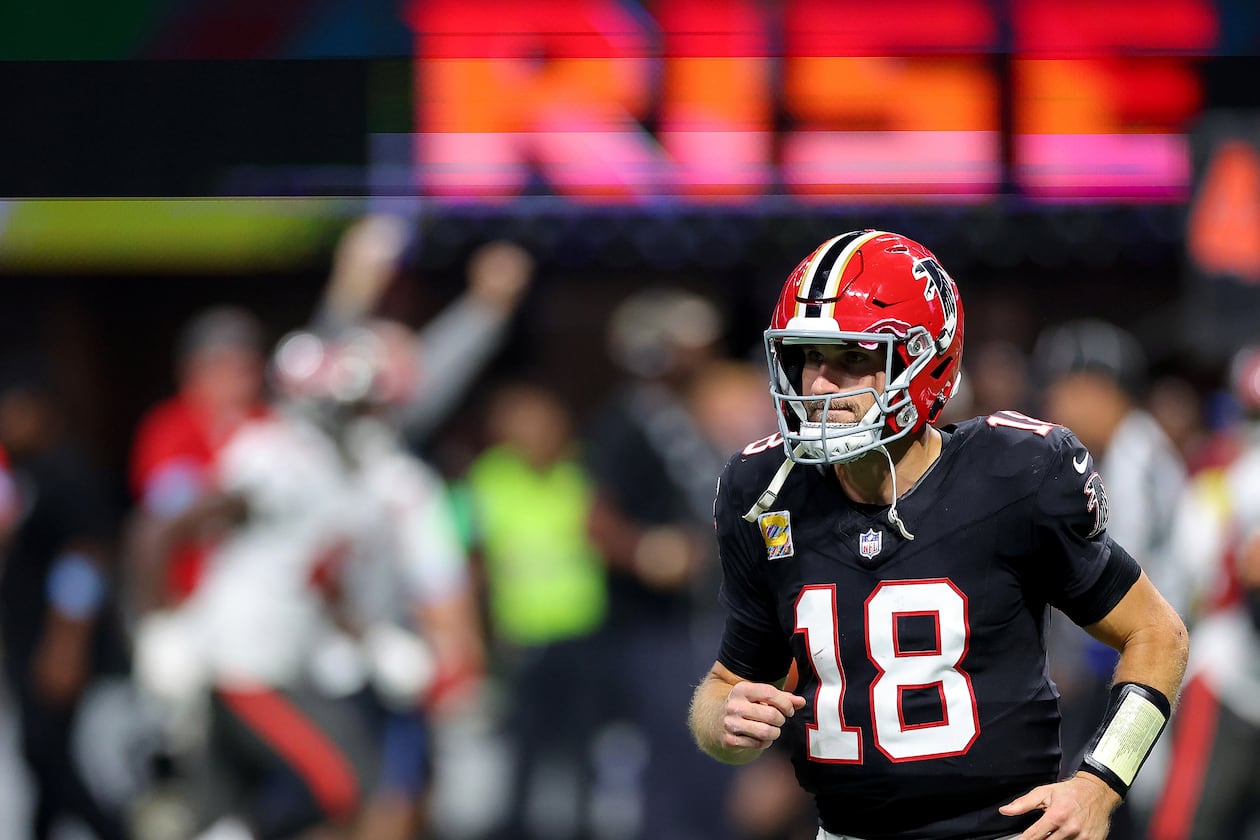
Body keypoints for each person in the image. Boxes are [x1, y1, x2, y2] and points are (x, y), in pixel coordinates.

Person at [687, 230, 1189, 840]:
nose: (819, 384)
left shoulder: (1015, 474)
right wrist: (725, 723)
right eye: (808, 356)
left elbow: (1157, 634)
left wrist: (1100, 783)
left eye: (852, 359)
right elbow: (725, 690)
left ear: (927, 362)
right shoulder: (763, 489)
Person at [0, 366, 130, 840]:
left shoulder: (66, 469)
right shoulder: (24, 474)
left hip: (60, 648)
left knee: (63, 759)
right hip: (28, 639)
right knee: (40, 760)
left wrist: (65, 645)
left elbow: (84, 560)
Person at [1147, 344, 1260, 840]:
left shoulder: (1222, 476)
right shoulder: (1220, 477)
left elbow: (1186, 582)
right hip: (1231, 669)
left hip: (1229, 666)